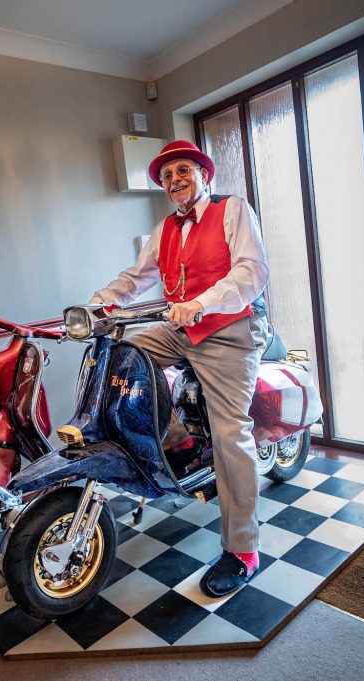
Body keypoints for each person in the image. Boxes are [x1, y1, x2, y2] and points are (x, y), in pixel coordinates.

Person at [90, 139, 270, 597]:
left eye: (183, 170)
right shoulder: (165, 229)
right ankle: (178, 440)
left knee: (230, 433)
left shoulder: (232, 209)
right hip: (183, 330)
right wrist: (99, 304)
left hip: (229, 329)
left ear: (204, 174)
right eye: (167, 176)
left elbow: (251, 271)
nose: (175, 181)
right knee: (125, 355)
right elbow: (137, 277)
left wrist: (202, 302)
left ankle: (243, 549)